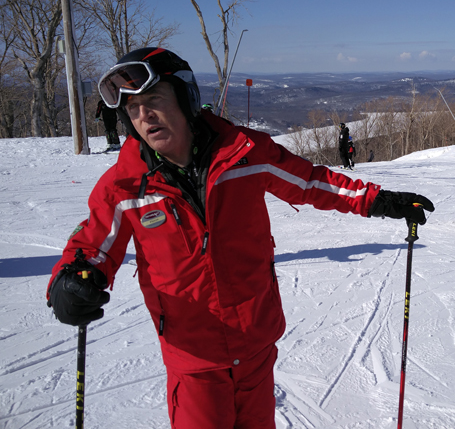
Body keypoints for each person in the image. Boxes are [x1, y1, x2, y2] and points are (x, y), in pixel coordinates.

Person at [45, 48, 434, 429]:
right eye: (132, 109)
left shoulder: (244, 154)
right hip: (193, 357)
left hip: (255, 344)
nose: (144, 116)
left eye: (154, 100)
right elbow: (92, 245)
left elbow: (311, 181)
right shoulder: (126, 184)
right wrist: (71, 279)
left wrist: (379, 200)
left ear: (185, 98)